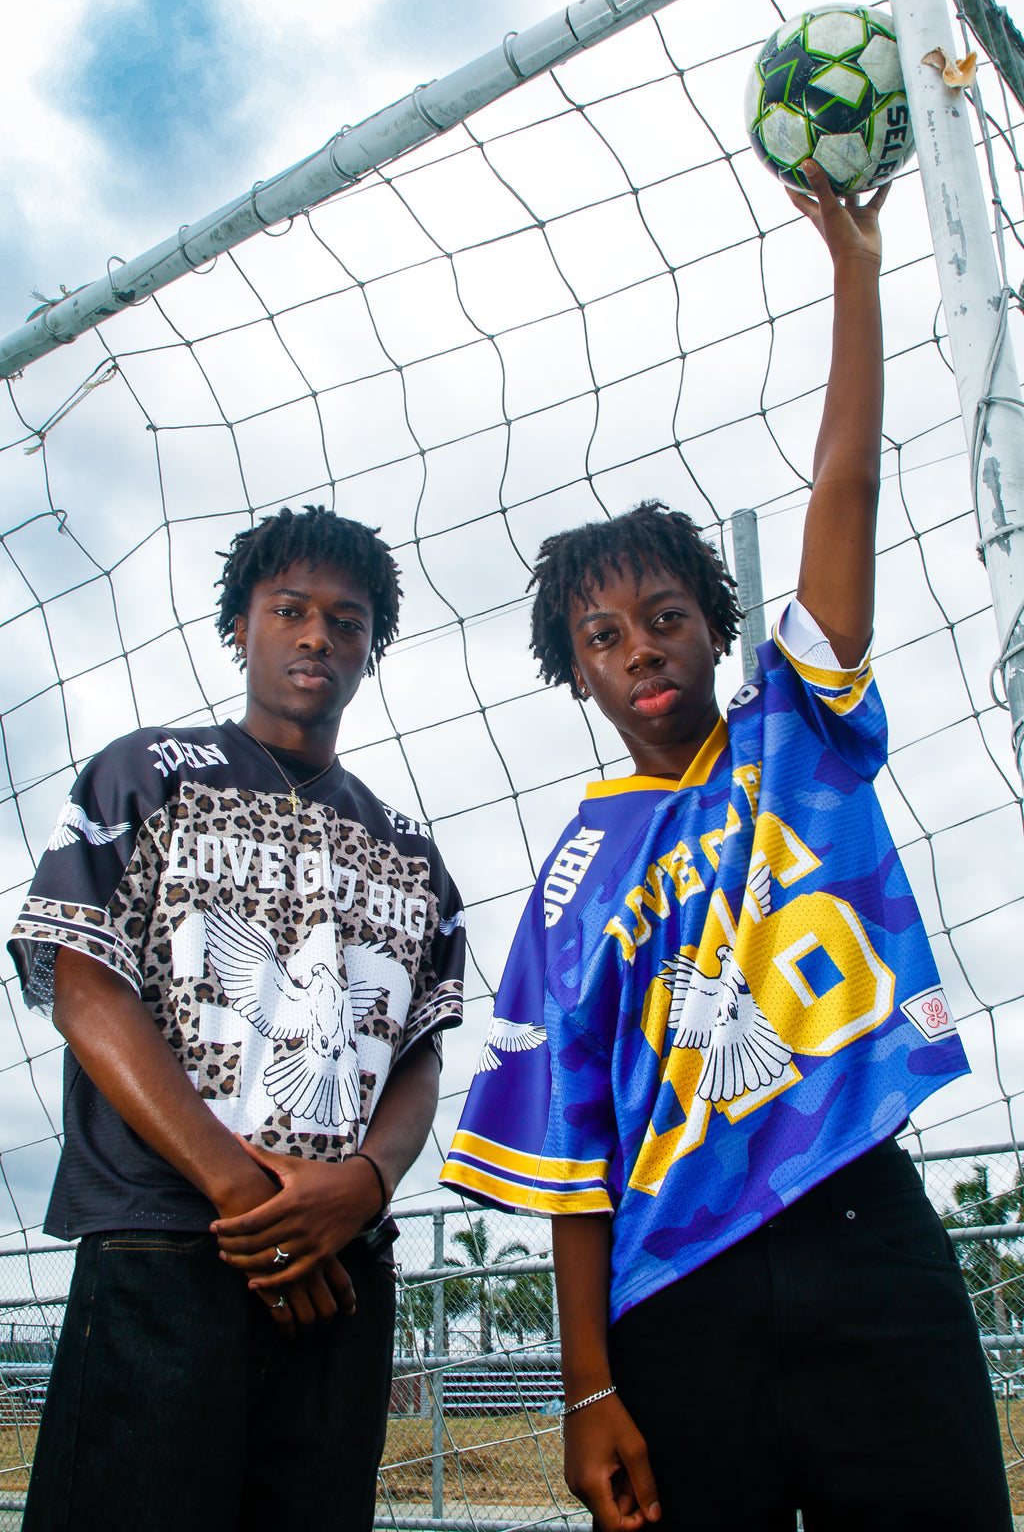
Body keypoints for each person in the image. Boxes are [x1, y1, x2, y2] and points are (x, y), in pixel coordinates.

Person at [441, 165, 1011, 1530]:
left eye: (663, 616)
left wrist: (856, 272)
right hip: (673, 1293)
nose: (639, 647)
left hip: (859, 1219)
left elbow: (848, 488)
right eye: (603, 636)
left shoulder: (792, 737)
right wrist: (587, 1389)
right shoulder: (576, 879)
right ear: (573, 672)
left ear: (717, 623)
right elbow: (570, 1145)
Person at [9, 504, 466, 1532]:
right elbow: (83, 982)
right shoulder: (145, 774)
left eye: (346, 621)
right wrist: (241, 1197)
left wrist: (363, 1183)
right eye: (290, 609)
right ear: (241, 626)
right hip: (169, 1241)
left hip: (339, 1266)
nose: (317, 636)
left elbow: (419, 1059)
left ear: (370, 649)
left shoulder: (411, 853)